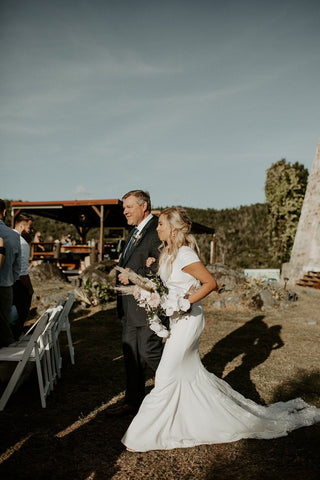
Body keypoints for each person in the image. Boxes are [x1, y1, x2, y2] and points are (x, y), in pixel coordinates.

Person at [122, 207, 320, 452]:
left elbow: (210, 283)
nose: (158, 228)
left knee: (164, 375)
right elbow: (171, 284)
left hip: (188, 318)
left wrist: (185, 302)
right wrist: (150, 284)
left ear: (173, 229)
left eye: (161, 224)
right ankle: (189, 418)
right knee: (187, 373)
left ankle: (145, 434)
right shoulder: (168, 252)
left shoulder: (184, 253)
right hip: (176, 319)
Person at [111, 190, 164, 415]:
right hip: (130, 307)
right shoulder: (134, 232)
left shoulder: (157, 230)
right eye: (124, 207)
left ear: (144, 206)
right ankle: (133, 403)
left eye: (129, 207)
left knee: (149, 352)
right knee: (131, 355)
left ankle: (174, 392)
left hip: (147, 306)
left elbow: (162, 265)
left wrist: (134, 274)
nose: (124, 211)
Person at [0, 199, 21, 347]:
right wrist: (10, 280)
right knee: (4, 327)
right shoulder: (13, 236)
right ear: (4, 213)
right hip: (5, 286)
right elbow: (17, 267)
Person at [11, 213, 34, 340]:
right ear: (21, 227)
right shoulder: (23, 244)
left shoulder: (7, 237)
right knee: (17, 315)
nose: (32, 231)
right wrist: (30, 289)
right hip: (18, 284)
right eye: (30, 228)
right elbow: (23, 273)